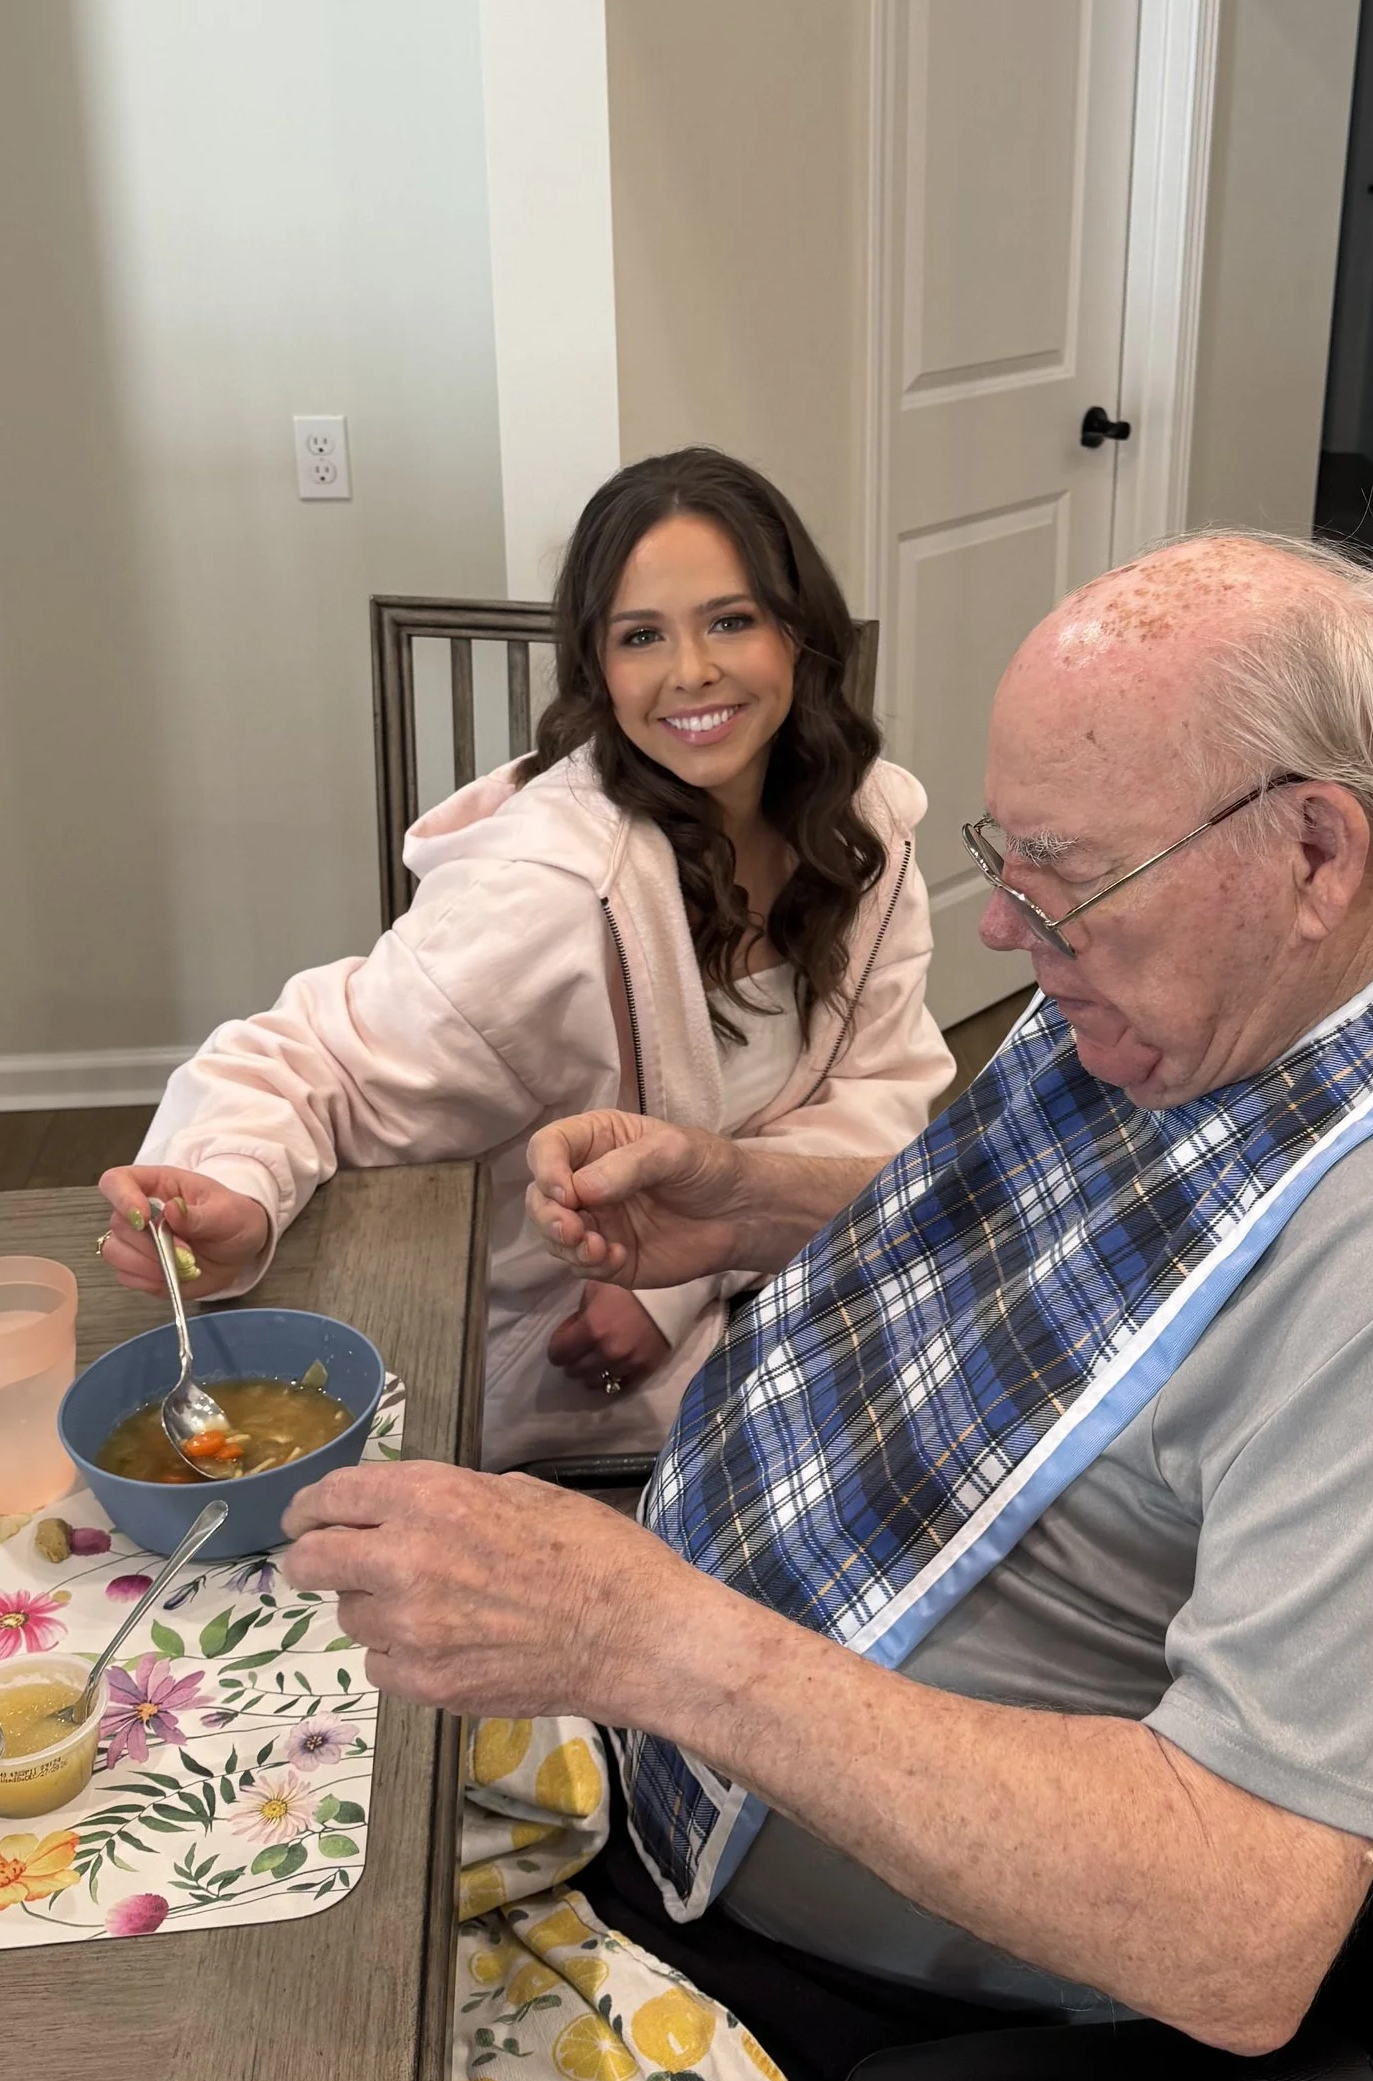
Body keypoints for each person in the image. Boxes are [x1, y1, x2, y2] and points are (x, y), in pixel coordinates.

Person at [282, 528, 1373, 2079]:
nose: (1004, 929)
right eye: (1011, 857)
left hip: (871, 1982)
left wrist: (646, 1640)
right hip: (682, 1697)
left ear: (1317, 852)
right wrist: (751, 1197)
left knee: (294, 2078)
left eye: (1068, 875)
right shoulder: (1230, 986)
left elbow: (1242, 1929)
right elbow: (1096, 1255)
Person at [99, 450, 951, 1468]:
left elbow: (881, 1087)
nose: (691, 671)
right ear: (598, 667)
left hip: (767, 1289)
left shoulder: (863, 828)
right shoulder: (542, 897)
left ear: (801, 631)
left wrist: (681, 1278)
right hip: (540, 1377)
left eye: (731, 620)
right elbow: (306, 1063)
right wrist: (232, 1191)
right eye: (642, 636)